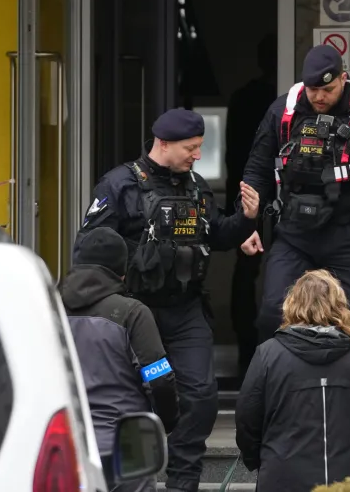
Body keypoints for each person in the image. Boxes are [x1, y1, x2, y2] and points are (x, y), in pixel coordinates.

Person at [73, 108, 260, 492]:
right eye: (190, 148)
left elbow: (217, 235)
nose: (196, 155)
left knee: (202, 396)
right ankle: (133, 479)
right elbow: (89, 246)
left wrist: (246, 219)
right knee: (139, 392)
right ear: (164, 144)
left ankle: (182, 481)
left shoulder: (195, 185)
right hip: (134, 310)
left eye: (198, 148)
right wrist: (144, 253)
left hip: (186, 307)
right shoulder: (119, 184)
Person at [239, 44, 350, 342]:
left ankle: (342, 381)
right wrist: (248, 225)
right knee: (273, 314)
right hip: (295, 232)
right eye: (312, 90)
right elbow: (257, 169)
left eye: (328, 89)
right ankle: (292, 379)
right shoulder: (283, 110)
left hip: (349, 231)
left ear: (344, 79)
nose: (319, 97)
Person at [235, 269, 350, 491]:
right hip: (349, 477)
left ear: (292, 303)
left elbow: (247, 420)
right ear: (340, 304)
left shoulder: (268, 354)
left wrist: (259, 459)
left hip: (282, 476)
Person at [61, 227, 179, 492]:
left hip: (68, 445)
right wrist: (167, 423)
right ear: (122, 271)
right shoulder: (132, 313)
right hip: (129, 448)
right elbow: (159, 379)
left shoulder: (48, 309)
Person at [225, 33, 279, 377]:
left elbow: (233, 156)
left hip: (248, 191)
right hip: (265, 194)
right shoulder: (278, 102)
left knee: (247, 272)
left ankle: (250, 352)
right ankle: (259, 353)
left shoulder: (245, 96)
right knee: (253, 273)